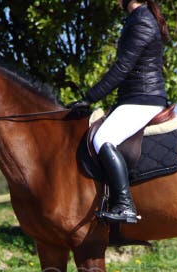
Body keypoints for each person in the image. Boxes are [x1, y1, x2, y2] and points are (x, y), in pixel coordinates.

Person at [69, 0, 169, 224]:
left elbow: (122, 67)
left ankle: (125, 205)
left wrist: (89, 97)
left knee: (103, 138)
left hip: (143, 99)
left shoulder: (142, 20)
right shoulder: (137, 18)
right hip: (134, 97)